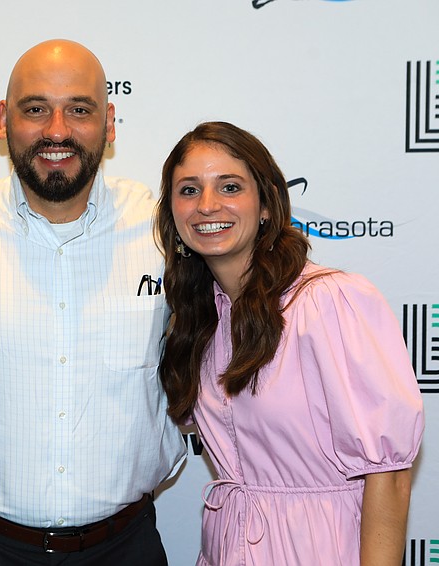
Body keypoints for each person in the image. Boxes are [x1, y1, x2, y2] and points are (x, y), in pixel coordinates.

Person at [0, 39, 186, 565]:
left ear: (109, 123)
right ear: (3, 121)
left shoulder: (165, 231)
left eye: (79, 109)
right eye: (35, 109)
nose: (57, 130)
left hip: (126, 547)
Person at [155, 121, 424, 565]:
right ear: (172, 212)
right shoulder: (201, 319)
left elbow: (389, 475)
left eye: (229, 186)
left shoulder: (327, 302)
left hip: (319, 549)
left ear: (265, 205)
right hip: (227, 549)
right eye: (189, 190)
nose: (207, 205)